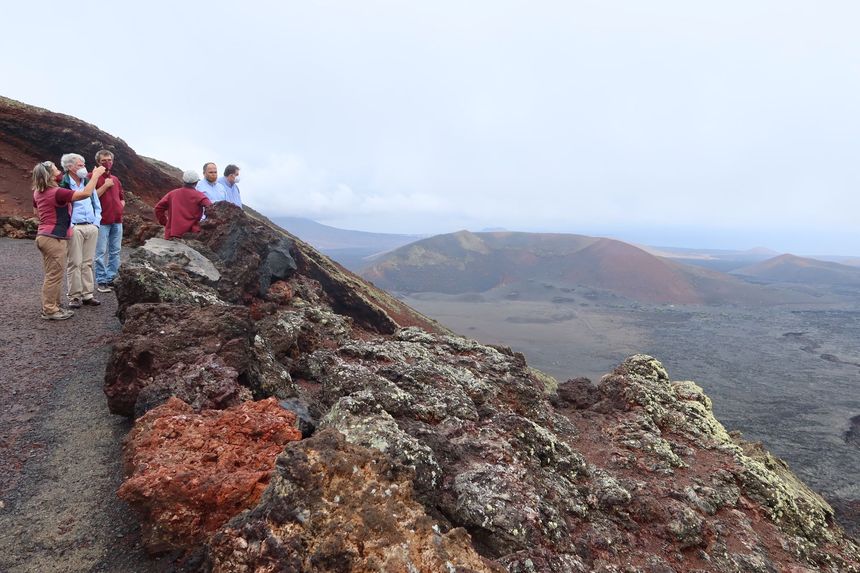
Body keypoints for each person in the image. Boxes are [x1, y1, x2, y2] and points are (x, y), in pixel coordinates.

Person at [32, 161, 106, 320]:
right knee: (54, 275)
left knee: (52, 274)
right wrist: (97, 175)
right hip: (54, 237)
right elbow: (86, 193)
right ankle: (50, 310)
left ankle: (55, 306)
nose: (58, 171)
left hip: (43, 236)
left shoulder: (38, 192)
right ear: (49, 175)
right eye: (55, 169)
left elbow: (36, 212)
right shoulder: (57, 192)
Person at [59, 153, 104, 308]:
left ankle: (87, 294)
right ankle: (74, 296)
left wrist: (96, 223)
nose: (84, 167)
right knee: (75, 262)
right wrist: (71, 226)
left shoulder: (86, 182)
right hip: (75, 227)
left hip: (90, 225)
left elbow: (96, 203)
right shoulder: (63, 183)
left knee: (88, 262)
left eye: (84, 164)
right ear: (70, 167)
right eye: (80, 165)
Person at [92, 150, 124, 293]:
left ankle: (111, 278)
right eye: (104, 160)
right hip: (102, 220)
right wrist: (105, 186)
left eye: (109, 160)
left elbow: (122, 197)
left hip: (117, 220)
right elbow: (90, 197)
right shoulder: (91, 177)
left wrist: (121, 206)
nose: (107, 163)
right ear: (98, 162)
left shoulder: (116, 179)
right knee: (100, 252)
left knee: (115, 251)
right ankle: (101, 280)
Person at [154, 170, 213, 239]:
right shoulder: (200, 196)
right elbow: (212, 208)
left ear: (183, 180)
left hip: (172, 234)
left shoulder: (172, 194)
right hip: (192, 234)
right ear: (196, 182)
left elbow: (158, 208)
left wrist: (165, 223)